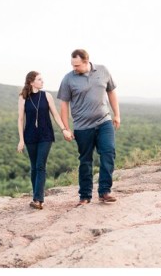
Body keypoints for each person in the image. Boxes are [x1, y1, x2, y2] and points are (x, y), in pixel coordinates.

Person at [58, 49, 121, 206]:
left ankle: (105, 191)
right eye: (72, 65)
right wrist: (65, 128)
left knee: (108, 152)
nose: (74, 68)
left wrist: (117, 114)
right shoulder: (68, 79)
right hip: (82, 126)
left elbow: (111, 92)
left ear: (87, 61)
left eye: (77, 65)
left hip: (104, 121)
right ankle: (85, 196)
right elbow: (64, 105)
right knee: (85, 161)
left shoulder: (103, 70)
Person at [17, 71, 71, 210]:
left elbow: (55, 114)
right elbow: (20, 119)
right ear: (31, 82)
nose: (42, 82)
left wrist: (64, 129)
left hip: (45, 135)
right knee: (34, 167)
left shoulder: (46, 96)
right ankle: (36, 196)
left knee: (41, 165)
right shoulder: (23, 97)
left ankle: (38, 199)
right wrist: (21, 140)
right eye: (39, 79)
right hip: (29, 136)